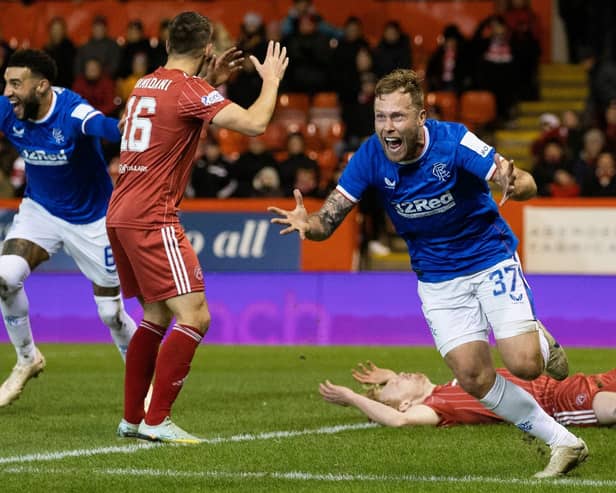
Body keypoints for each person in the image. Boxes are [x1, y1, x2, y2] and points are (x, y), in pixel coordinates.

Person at [268, 68, 588, 478]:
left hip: (489, 259)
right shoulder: (369, 156)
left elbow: (519, 181)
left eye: (398, 117)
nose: (388, 128)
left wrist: (517, 181)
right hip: (437, 280)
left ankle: (539, 341)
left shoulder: (454, 141)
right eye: (381, 117)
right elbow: (328, 220)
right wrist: (306, 225)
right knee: (473, 377)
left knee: (525, 365)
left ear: (420, 117)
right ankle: (563, 442)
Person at [108, 11, 288, 443]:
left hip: (119, 211)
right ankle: (158, 420)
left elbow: (165, 111)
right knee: (195, 316)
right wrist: (272, 80)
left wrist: (209, 78)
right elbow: (256, 124)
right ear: (207, 48)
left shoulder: (143, 86)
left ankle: (133, 418)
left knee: (154, 315)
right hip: (153, 215)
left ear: (167, 44)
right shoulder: (191, 90)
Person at [0, 49, 137, 407]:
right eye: (6, 83)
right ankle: (27, 359)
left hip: (92, 220)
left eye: (16, 83)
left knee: (111, 314)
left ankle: (143, 381)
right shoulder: (7, 111)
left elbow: (101, 125)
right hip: (40, 211)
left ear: (42, 86)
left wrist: (121, 126)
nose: (8, 91)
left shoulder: (72, 112)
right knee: (4, 276)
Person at [320, 358, 616, 428]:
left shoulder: (453, 385)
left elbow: (401, 395)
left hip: (585, 380)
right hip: (561, 401)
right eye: (395, 384)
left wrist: (389, 379)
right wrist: (353, 397)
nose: (401, 375)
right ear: (406, 403)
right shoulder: (437, 406)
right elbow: (399, 420)